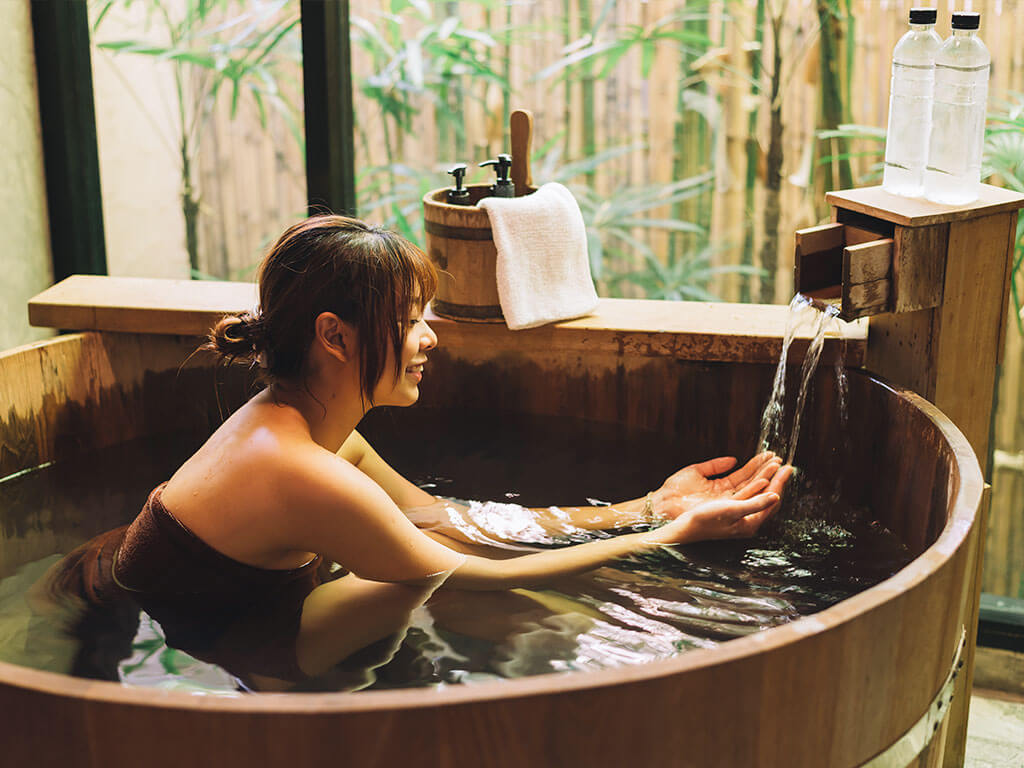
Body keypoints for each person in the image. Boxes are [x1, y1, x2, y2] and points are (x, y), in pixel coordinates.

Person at [53, 215, 791, 689]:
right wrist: (668, 537)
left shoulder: (305, 424)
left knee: (434, 543)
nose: (429, 338)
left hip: (192, 584)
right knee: (418, 581)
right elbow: (460, 572)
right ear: (335, 337)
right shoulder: (300, 468)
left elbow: (443, 516)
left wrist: (643, 508)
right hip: (229, 640)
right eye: (409, 320)